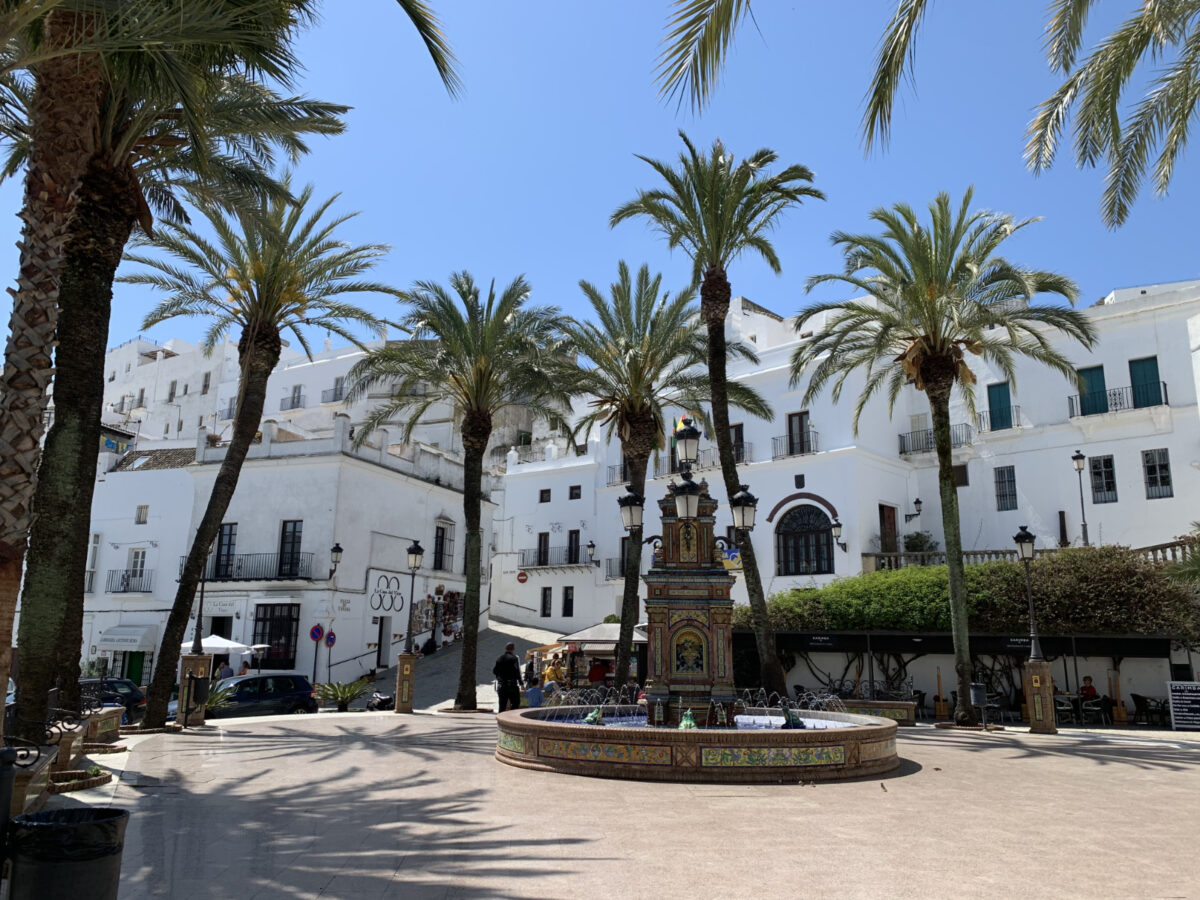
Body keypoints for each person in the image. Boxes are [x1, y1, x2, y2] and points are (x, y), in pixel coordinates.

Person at [493, 642, 523, 713]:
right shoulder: (514, 658)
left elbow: (494, 671)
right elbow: (517, 671)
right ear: (513, 649)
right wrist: (521, 683)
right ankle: (511, 716)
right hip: (512, 685)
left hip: (502, 685)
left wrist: (499, 678)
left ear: (505, 649)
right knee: (516, 703)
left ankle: (501, 721)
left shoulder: (499, 658)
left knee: (502, 706)